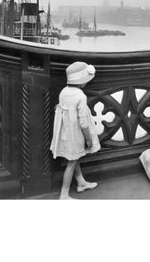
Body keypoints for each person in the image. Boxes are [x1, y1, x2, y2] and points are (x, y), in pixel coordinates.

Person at [50, 61, 101, 199]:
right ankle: (64, 194)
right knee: (71, 162)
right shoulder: (81, 96)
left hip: (65, 133)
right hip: (76, 134)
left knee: (74, 157)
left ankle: (81, 182)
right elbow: (83, 123)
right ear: (82, 81)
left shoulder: (63, 92)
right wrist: (88, 139)